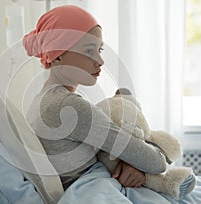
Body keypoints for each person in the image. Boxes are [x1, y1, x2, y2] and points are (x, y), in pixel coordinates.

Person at [23, 5, 167, 190]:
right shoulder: (68, 107)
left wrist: (128, 161)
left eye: (100, 50)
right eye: (89, 51)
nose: (100, 61)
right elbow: (156, 162)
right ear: (57, 56)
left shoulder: (43, 100)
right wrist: (135, 161)